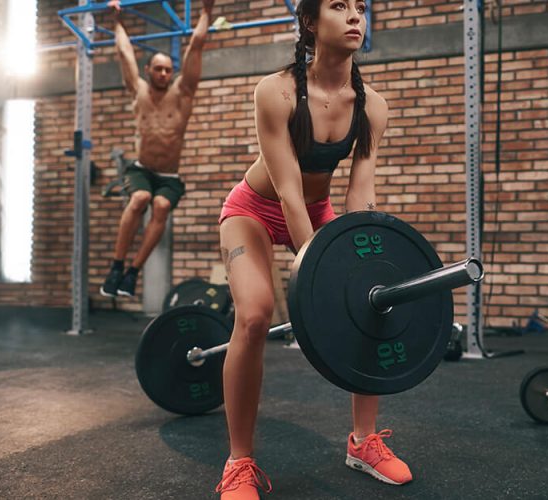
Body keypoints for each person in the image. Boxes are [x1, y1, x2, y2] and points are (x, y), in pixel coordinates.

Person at [215, 1, 410, 498]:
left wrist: (362, 268)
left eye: (360, 8)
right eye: (339, 6)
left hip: (318, 210)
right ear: (308, 22)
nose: (354, 17)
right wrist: (320, 266)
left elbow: (360, 195)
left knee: (374, 301)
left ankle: (364, 442)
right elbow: (285, 190)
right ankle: (238, 462)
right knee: (256, 314)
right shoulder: (276, 92)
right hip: (256, 209)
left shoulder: (371, 106)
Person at [100, 0, 214, 298]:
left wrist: (206, 12)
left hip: (169, 176)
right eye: (158, 69)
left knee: (161, 206)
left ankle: (132, 273)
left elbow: (197, 46)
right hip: (141, 170)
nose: (164, 74)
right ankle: (116, 266)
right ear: (148, 70)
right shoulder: (138, 91)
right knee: (140, 198)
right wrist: (116, 21)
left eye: (168, 70)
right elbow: (124, 53)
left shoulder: (183, 93)